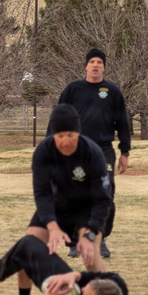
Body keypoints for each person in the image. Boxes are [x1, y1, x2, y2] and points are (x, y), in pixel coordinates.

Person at [4, 105, 112, 295]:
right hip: (56, 207)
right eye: (60, 135)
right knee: (28, 246)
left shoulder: (92, 153)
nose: (65, 141)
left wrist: (90, 234)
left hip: (86, 210)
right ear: (53, 134)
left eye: (70, 135)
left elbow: (103, 200)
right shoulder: (43, 152)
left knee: (91, 256)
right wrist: (52, 226)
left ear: (78, 132)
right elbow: (42, 194)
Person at [53, 48, 130, 258]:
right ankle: (73, 241)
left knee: (105, 194)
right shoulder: (72, 90)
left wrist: (125, 151)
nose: (96, 65)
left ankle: (100, 238)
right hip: (75, 151)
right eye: (92, 62)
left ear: (104, 66)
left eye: (99, 62)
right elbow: (58, 119)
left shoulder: (112, 92)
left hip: (103, 151)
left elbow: (123, 123)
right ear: (86, 65)